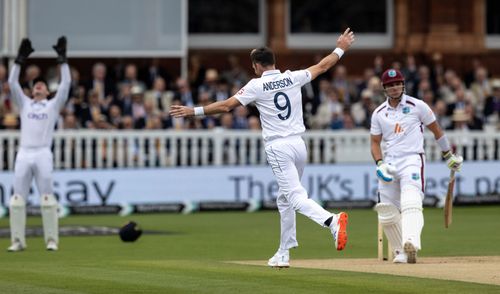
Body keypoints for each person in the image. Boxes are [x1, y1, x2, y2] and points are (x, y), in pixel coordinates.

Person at [170, 28, 355, 268]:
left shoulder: (256, 85)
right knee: (284, 198)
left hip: (279, 147)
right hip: (299, 145)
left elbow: (226, 106)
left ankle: (332, 220)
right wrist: (341, 47)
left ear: (257, 66)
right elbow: (323, 66)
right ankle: (284, 252)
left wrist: (192, 111)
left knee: (296, 197)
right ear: (273, 63)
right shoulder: (293, 76)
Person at [370, 69, 463, 264]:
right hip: (390, 162)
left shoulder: (417, 105)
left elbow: (436, 130)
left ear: (403, 84)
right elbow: (375, 143)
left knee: (411, 201)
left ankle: (411, 242)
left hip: (412, 159)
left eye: (397, 83)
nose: (394, 88)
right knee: (386, 211)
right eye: (390, 85)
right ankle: (402, 252)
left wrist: (448, 155)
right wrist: (379, 164)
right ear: (384, 88)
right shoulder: (378, 113)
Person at [7, 36, 71, 252]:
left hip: (43, 153)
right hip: (24, 153)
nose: (39, 86)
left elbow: (66, 85)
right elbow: (12, 83)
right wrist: (19, 60)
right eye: (36, 85)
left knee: (47, 198)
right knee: (17, 199)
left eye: (42, 85)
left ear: (47, 92)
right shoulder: (24, 103)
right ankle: (17, 241)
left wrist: (62, 60)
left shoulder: (52, 106)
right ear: (32, 90)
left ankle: (51, 240)